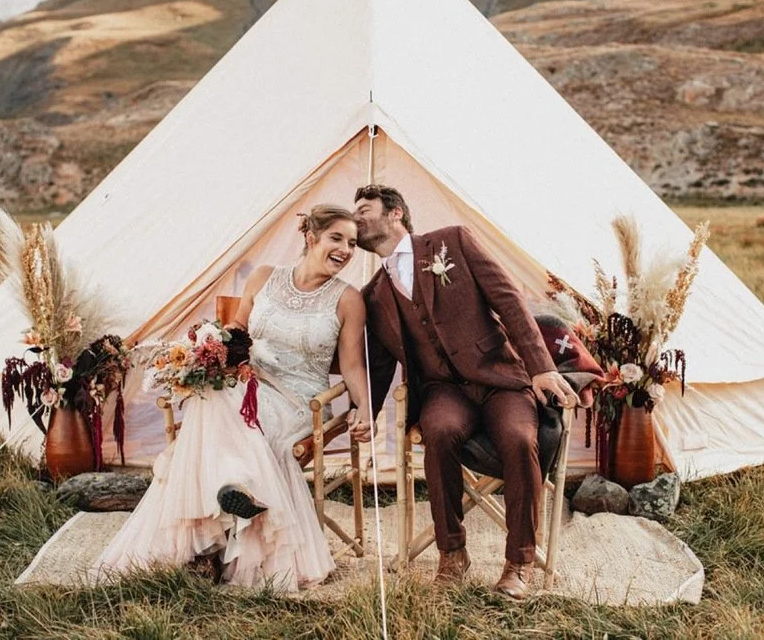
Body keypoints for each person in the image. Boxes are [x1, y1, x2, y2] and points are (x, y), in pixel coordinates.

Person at [93, 205, 371, 592]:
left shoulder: (348, 299)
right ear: (310, 237)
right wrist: (208, 353)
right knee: (213, 397)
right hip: (247, 384)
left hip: (298, 400)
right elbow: (236, 332)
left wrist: (363, 408)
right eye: (336, 238)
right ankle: (228, 504)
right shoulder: (263, 277)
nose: (346, 249)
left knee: (214, 416)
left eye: (353, 243)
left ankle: (206, 550)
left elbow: (354, 365)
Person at [352, 184, 578, 600]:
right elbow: (378, 366)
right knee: (438, 431)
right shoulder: (373, 296)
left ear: (396, 213)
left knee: (520, 437)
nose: (356, 218)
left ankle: (519, 562)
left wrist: (542, 368)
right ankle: (452, 554)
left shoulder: (452, 241)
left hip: (499, 378)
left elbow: (509, 300)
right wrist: (363, 410)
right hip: (442, 390)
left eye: (364, 210)